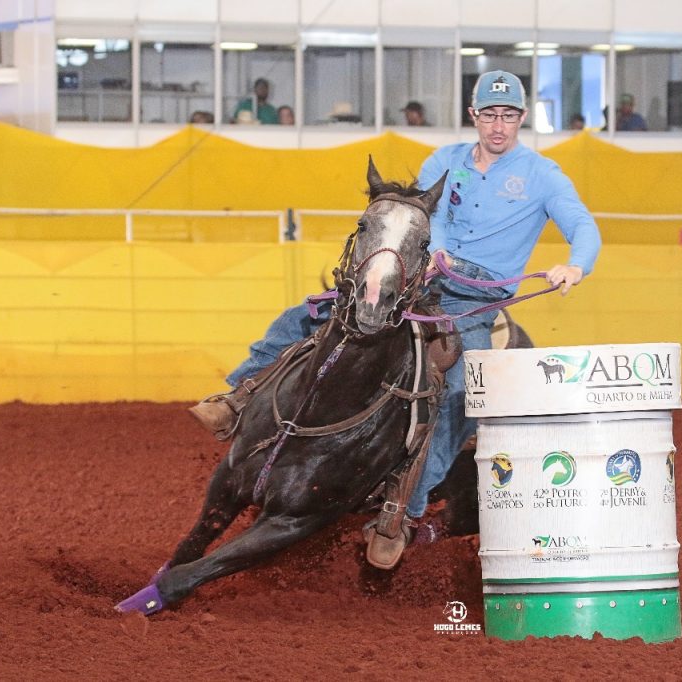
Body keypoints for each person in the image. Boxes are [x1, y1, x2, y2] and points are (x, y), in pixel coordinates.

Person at [191, 69, 602, 563]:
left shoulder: (542, 175)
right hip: (423, 276)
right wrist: (434, 254)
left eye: (509, 115)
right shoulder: (444, 161)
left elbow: (583, 225)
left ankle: (400, 513)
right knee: (309, 315)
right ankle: (239, 395)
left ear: (521, 119)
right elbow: (422, 213)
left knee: (455, 395)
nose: (498, 125)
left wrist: (576, 264)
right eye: (489, 114)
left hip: (477, 299)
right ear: (474, 115)